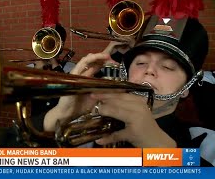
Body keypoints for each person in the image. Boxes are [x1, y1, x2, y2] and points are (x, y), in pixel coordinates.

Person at [38, 15, 212, 166]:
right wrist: (59, 115)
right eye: (140, 63)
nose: (149, 70)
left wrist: (165, 151)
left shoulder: (207, 143)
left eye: (167, 66)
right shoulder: (88, 132)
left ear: (186, 88)